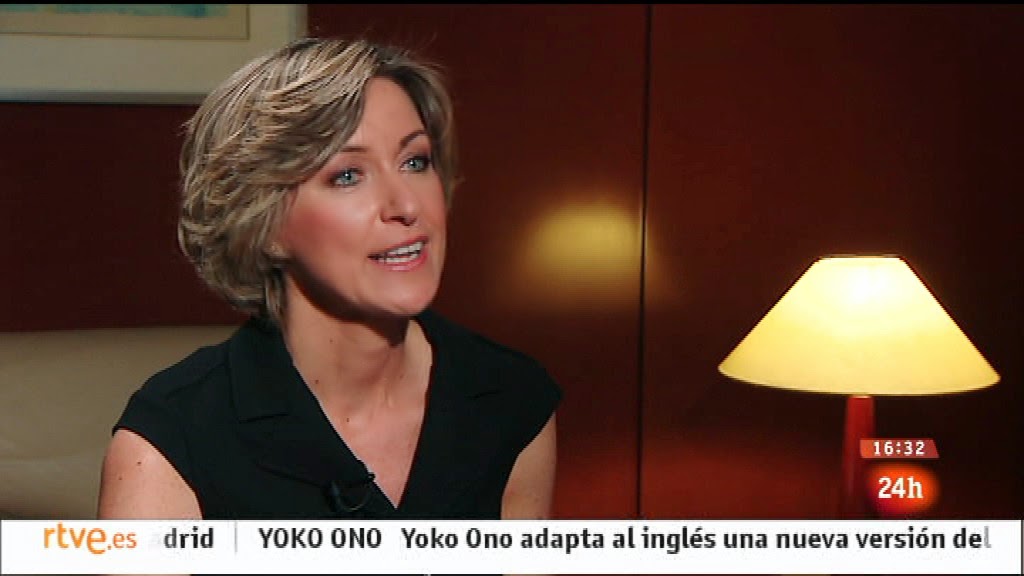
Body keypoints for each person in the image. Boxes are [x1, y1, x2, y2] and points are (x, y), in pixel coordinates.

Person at [98, 37, 561, 521]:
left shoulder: (512, 400)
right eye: (347, 176)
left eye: (415, 161)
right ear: (263, 225)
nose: (407, 205)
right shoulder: (171, 442)